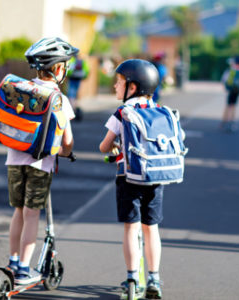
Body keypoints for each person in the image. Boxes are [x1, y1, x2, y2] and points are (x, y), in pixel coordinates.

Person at [5, 37, 76, 285]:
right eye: (65, 65)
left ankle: (13, 261)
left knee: (18, 212)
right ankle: (24, 269)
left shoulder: (21, 90)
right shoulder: (59, 99)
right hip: (40, 164)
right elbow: (67, 141)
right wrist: (67, 153)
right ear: (58, 69)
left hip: (13, 160)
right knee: (32, 214)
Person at [99, 59, 164, 299]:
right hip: (155, 177)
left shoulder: (123, 112)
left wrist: (116, 146)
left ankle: (132, 277)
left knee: (131, 227)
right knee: (151, 228)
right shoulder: (158, 110)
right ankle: (154, 278)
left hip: (129, 177)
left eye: (119, 83)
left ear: (132, 87)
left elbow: (104, 146)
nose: (115, 87)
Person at [220, 55, 239, 132]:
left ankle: (225, 122)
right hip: (237, 90)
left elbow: (225, 79)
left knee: (228, 105)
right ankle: (232, 122)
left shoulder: (232, 69)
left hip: (231, 89)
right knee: (233, 106)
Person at [66, 53, 89, 121]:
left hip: (72, 79)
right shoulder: (82, 61)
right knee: (75, 94)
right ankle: (75, 108)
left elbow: (69, 70)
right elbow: (86, 70)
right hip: (78, 79)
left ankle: (72, 110)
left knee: (71, 95)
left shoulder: (72, 61)